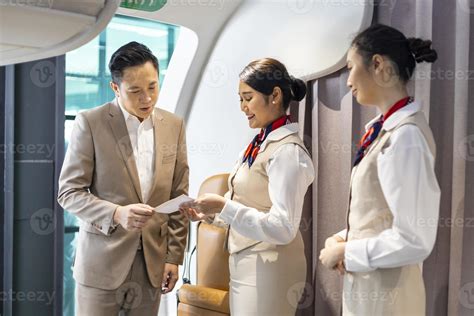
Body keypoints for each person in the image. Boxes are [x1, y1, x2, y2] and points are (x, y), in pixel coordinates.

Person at [58, 41, 189, 316]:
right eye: (136, 91)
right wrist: (116, 213)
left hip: (152, 267)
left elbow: (179, 197)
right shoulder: (90, 123)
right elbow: (69, 192)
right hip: (101, 267)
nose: (147, 99)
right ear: (116, 88)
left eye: (153, 87)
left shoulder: (174, 126)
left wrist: (174, 257)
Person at [319, 24, 441, 315]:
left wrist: (348, 252)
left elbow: (416, 238)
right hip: (373, 288)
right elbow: (380, 215)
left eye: (350, 67)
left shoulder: (405, 137)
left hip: (389, 296)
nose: (348, 81)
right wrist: (344, 236)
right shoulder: (385, 131)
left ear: (378, 65)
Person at [180, 58, 315, 315]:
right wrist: (210, 214)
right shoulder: (256, 145)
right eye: (240, 99)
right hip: (247, 262)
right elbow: (247, 205)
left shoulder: (287, 152)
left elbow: (284, 228)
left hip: (271, 265)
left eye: (248, 98)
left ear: (275, 95)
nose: (243, 107)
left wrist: (224, 205)